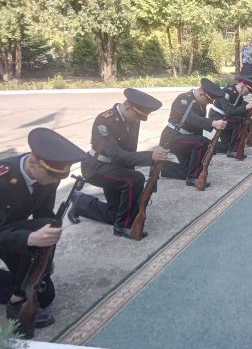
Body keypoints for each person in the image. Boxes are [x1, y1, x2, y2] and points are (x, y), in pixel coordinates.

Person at [1, 128, 86, 330]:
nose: (55, 182)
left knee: (44, 295)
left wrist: (42, 262)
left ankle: (22, 289)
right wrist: (30, 239)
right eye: (52, 176)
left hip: (7, 231)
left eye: (60, 178)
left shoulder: (47, 175)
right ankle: (16, 303)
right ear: (32, 162)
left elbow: (43, 216)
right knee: (26, 293)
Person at [67, 89, 167, 239]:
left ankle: (81, 203)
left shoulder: (132, 119)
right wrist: (150, 156)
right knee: (134, 179)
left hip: (115, 169)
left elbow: (130, 151)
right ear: (128, 106)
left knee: (114, 214)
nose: (139, 120)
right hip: (96, 167)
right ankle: (123, 226)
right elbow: (116, 154)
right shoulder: (104, 121)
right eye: (138, 116)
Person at [159, 79, 228, 187]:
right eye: (209, 100)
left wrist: (204, 154)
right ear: (202, 94)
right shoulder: (183, 99)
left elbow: (197, 128)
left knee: (188, 168)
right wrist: (212, 123)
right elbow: (190, 118)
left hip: (186, 139)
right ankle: (193, 178)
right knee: (202, 142)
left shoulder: (200, 104)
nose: (208, 103)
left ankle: (164, 167)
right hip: (173, 137)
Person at [209, 76, 252, 158]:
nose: (247, 94)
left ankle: (207, 145)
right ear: (242, 85)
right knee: (240, 121)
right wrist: (246, 107)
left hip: (226, 119)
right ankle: (233, 150)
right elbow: (228, 111)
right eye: (247, 91)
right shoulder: (225, 92)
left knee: (224, 147)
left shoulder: (238, 93)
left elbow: (241, 105)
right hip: (217, 118)